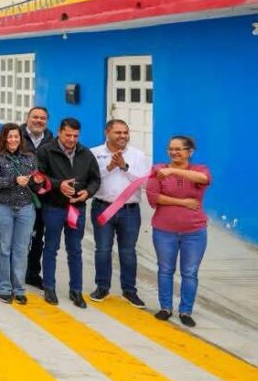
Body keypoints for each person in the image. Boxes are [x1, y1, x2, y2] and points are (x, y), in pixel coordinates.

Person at [35, 117, 101, 308]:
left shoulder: (86, 153)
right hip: (53, 207)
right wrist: (58, 185)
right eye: (68, 135)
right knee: (51, 247)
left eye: (75, 136)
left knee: (75, 250)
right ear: (59, 132)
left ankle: (76, 290)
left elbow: (95, 179)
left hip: (76, 209)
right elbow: (38, 176)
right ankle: (49, 287)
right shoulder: (46, 151)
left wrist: (87, 193)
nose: (72, 139)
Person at [146, 136, 211, 327]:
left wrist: (173, 171)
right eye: (170, 149)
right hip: (164, 230)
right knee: (165, 269)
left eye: (179, 149)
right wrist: (183, 202)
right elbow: (153, 197)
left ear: (189, 151)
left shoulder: (200, 169)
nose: (174, 153)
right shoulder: (158, 170)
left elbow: (204, 179)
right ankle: (165, 307)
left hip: (194, 231)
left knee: (190, 272)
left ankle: (185, 311)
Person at [90, 119, 151, 306]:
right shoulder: (94, 153)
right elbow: (91, 179)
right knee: (102, 250)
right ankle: (102, 287)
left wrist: (125, 167)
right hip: (103, 208)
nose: (123, 136)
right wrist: (109, 167)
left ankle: (129, 290)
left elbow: (146, 183)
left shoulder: (138, 155)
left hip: (130, 211)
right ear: (107, 133)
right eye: (118, 132)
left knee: (128, 252)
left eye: (125, 132)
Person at [0, 123, 47, 305]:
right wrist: (14, 180)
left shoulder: (30, 158)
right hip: (2, 208)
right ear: (3, 138)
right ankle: (4, 287)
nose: (13, 140)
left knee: (21, 250)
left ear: (20, 139)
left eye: (16, 137)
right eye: (9, 136)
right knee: (4, 248)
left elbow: (36, 187)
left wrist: (37, 181)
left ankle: (19, 288)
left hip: (25, 209)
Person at [20, 106, 55, 289]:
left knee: (37, 237)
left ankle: (33, 273)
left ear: (47, 121)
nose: (38, 121)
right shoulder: (15, 135)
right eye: (35, 117)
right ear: (28, 118)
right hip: (17, 197)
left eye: (42, 118)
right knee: (16, 238)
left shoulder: (52, 141)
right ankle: (12, 273)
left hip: (42, 198)